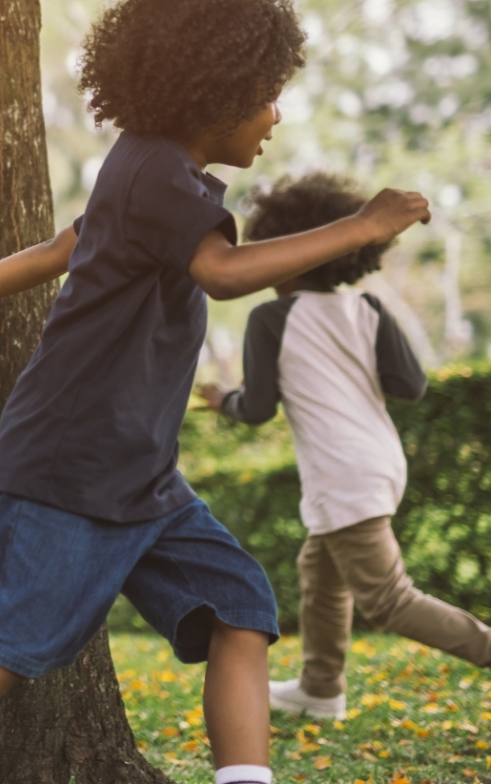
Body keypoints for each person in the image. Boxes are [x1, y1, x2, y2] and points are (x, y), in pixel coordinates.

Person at [0, 0, 430, 784]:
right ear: (213, 97)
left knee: (241, 608)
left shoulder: (146, 166)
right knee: (1, 649)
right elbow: (223, 274)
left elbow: (65, 247)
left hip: (137, 474)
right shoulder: (163, 181)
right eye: (265, 97)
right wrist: (363, 225)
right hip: (78, 462)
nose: (275, 118)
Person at [198, 172, 491, 720]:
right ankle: (321, 688)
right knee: (321, 567)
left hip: (341, 473)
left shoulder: (271, 320)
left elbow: (257, 408)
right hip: (379, 461)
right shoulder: (369, 310)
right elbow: (411, 386)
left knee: (389, 600)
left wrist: (224, 402)